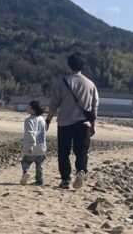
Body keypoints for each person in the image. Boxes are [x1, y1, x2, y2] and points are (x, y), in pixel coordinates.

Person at [45, 53, 99, 190]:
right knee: (81, 151)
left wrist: (48, 120)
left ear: (69, 65)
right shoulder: (90, 84)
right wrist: (93, 125)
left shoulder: (62, 82)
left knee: (63, 153)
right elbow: (94, 107)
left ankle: (65, 180)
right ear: (83, 65)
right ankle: (81, 170)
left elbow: (54, 104)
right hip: (83, 124)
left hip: (64, 123)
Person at [20, 100, 47, 187]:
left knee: (25, 162)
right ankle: (39, 180)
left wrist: (31, 145)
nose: (27, 108)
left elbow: (30, 132)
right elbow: (44, 131)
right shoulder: (42, 119)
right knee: (40, 165)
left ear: (33, 110)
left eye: (29, 107)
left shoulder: (29, 120)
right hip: (41, 146)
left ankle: (26, 172)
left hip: (32, 146)